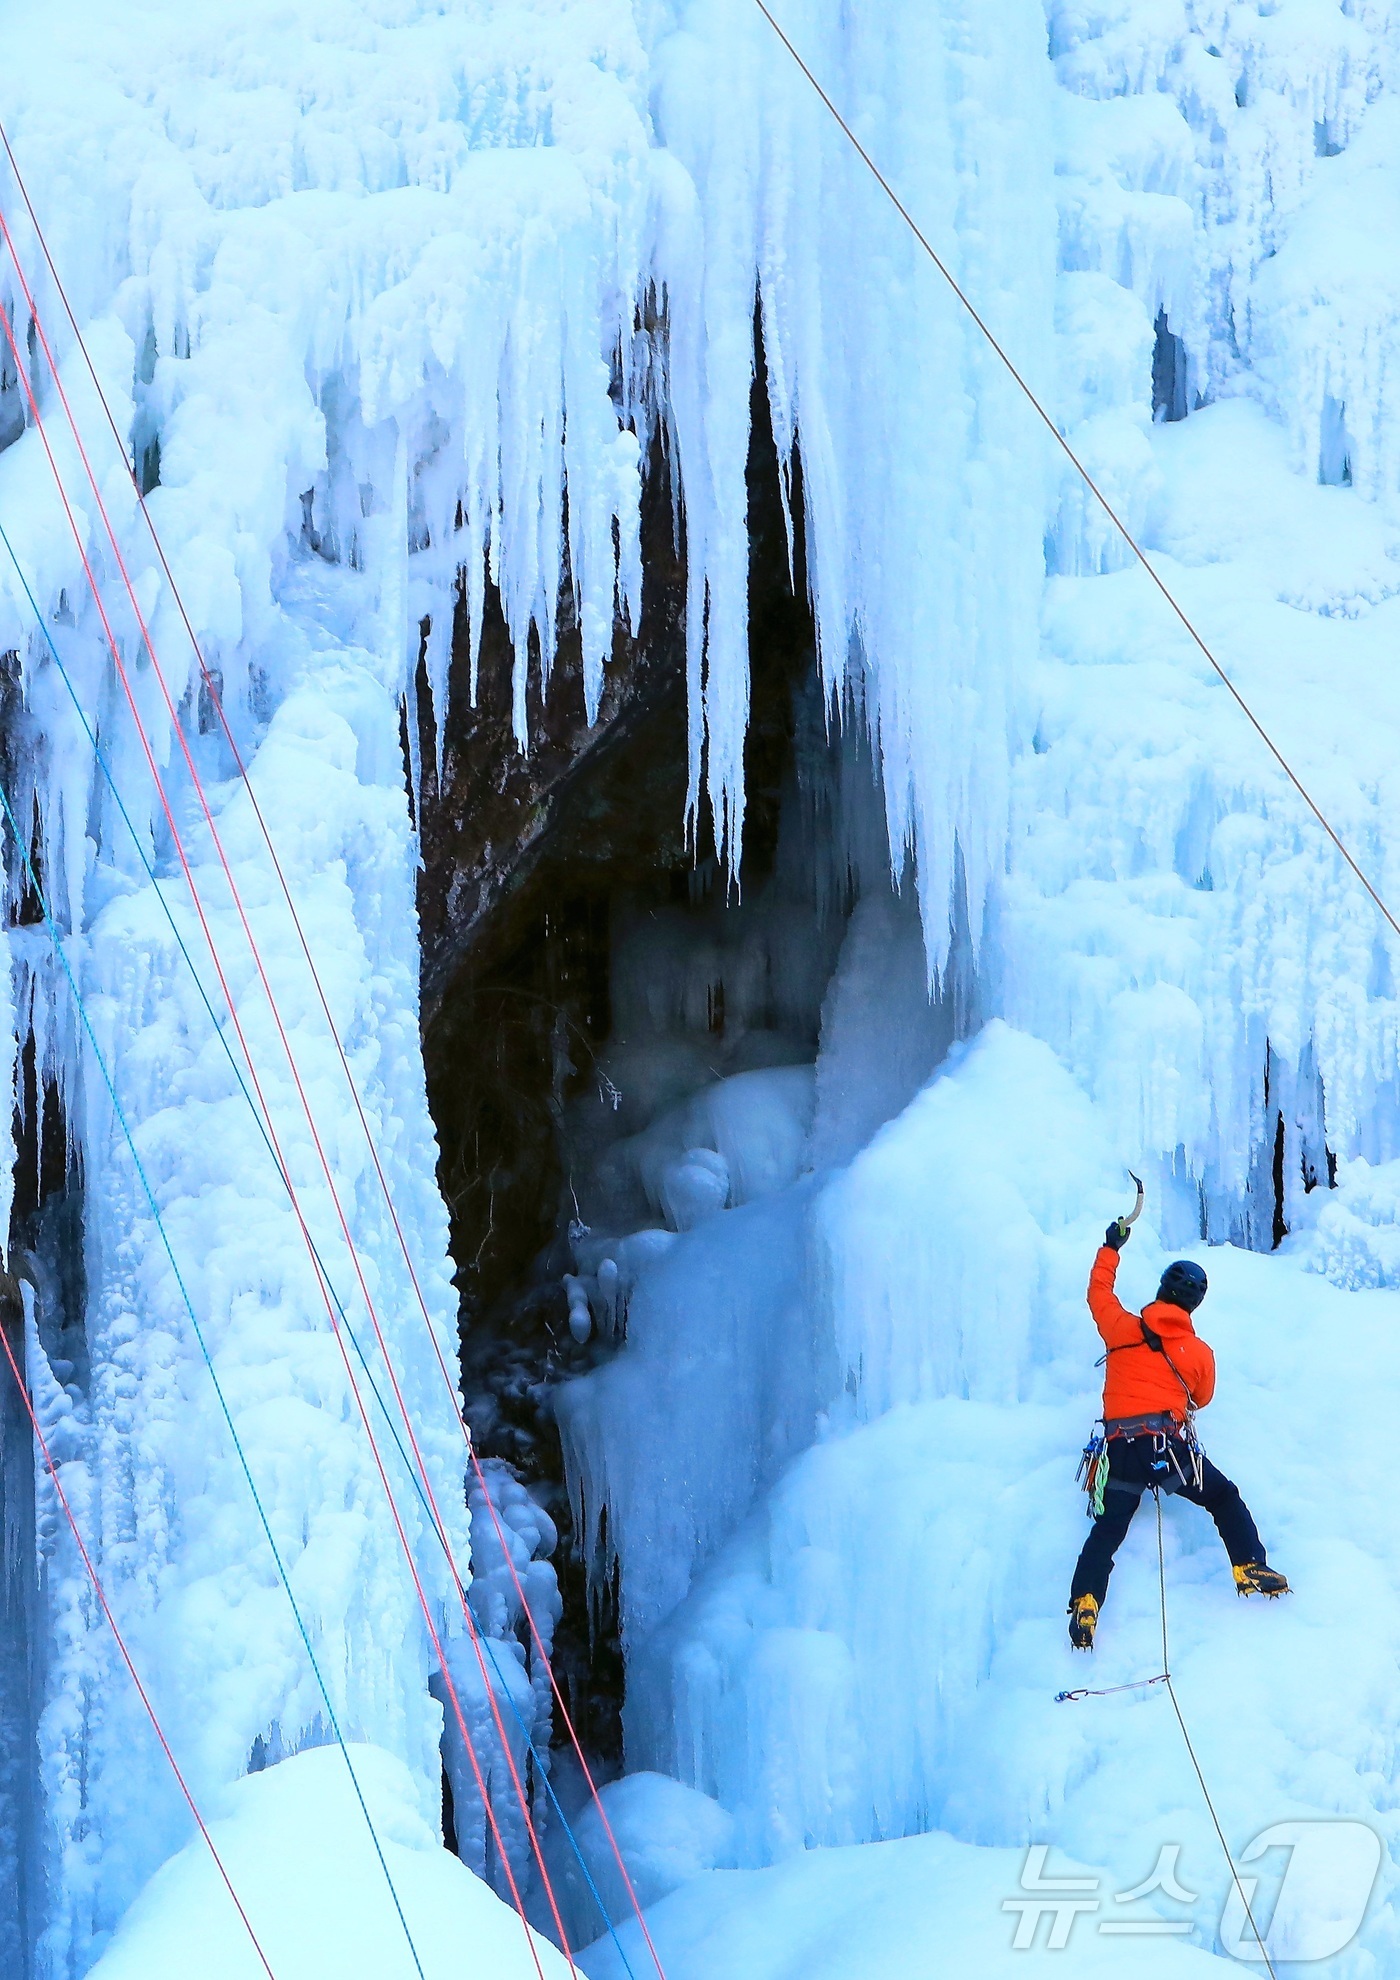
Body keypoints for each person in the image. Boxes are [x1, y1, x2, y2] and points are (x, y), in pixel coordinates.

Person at [1067, 1215, 1288, 1649]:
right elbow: (1201, 1398)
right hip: (1169, 1449)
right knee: (1223, 1497)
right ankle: (1248, 1566)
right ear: (1193, 1305)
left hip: (1120, 1450)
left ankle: (1086, 1602)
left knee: (1108, 1532)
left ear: (1161, 1290)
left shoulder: (1122, 1329)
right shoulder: (1198, 1352)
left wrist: (1111, 1247)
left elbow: (1098, 1294)